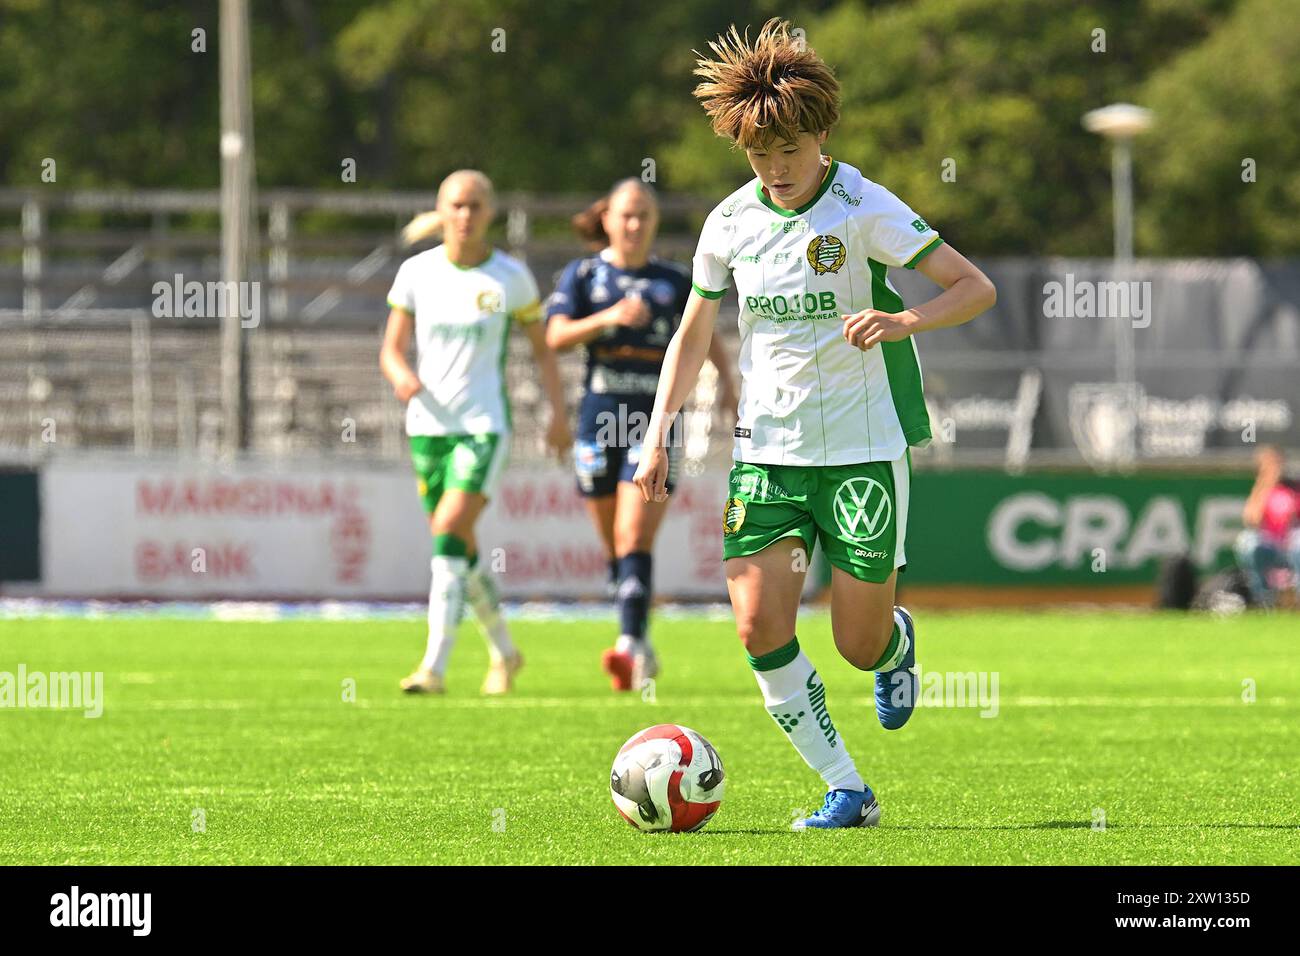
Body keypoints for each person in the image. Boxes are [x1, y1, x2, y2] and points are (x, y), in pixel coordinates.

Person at [634, 20, 997, 829]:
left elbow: (975, 287)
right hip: (768, 453)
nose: (777, 169)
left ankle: (894, 643)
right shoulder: (729, 222)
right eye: (761, 156)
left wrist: (907, 322)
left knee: (856, 647)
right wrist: (657, 429)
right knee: (758, 623)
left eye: (789, 152)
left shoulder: (865, 207)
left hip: (863, 453)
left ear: (821, 133)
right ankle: (847, 788)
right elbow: (694, 332)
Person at [381, 170, 572, 695]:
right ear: (441, 211)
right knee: (458, 548)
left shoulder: (510, 278)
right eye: (456, 206)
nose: (465, 216)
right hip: (427, 428)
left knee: (448, 531)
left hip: (483, 427)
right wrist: (402, 377)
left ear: (491, 213)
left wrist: (559, 415)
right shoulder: (417, 273)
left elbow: (542, 351)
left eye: (475, 206)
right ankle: (506, 653)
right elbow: (391, 349)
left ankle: (434, 668)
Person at [546, 179, 737, 691]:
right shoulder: (585, 274)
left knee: (635, 536)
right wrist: (609, 318)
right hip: (597, 419)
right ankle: (641, 640)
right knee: (614, 546)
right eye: (625, 215)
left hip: (651, 423)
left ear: (653, 223)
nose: (634, 225)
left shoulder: (674, 280)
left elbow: (705, 333)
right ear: (607, 219)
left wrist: (728, 384)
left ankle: (628, 646)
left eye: (644, 216)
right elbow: (555, 336)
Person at [1234, 445, 1300, 607]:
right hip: (1270, 546)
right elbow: (1252, 520)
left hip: (1292, 544)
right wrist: (1267, 482)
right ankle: (1263, 601)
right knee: (1249, 543)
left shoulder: (1294, 486)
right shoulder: (1261, 489)